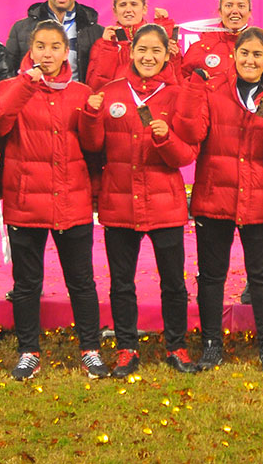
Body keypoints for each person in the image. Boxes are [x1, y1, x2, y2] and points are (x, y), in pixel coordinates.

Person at [0, 20, 108, 380]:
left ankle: (91, 349)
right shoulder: (10, 87)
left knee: (81, 281)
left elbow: (94, 146)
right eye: (40, 46)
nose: (47, 53)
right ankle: (28, 351)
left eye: (55, 46)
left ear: (66, 52)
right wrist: (25, 85)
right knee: (26, 283)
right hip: (25, 200)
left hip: (73, 200)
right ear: (30, 50)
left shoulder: (81, 92)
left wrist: (95, 116)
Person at [81, 24, 198, 378]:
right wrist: (89, 115)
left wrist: (165, 139)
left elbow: (186, 155)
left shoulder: (177, 94)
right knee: (122, 281)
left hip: (165, 203)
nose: (148, 57)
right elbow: (92, 146)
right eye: (142, 50)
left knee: (173, 282)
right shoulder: (111, 92)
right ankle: (126, 348)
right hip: (119, 202)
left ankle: (176, 345)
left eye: (156, 51)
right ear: (131, 52)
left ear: (167, 55)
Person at [175, 27, 263, 373]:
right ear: (234, 55)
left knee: (262, 276)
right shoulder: (212, 88)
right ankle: (211, 343)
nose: (250, 60)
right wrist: (194, 92)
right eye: (244, 53)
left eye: (257, 55)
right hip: (214, 194)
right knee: (211, 275)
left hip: (258, 198)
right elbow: (192, 133)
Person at [5, 0, 104, 83]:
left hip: (78, 98)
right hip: (36, 98)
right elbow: (9, 72)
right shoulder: (20, 28)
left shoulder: (97, 31)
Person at [85, 0, 180, 90]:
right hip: (117, 102)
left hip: (151, 101)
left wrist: (165, 33)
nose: (128, 10)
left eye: (134, 4)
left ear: (144, 9)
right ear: (115, 11)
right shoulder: (103, 44)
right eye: (122, 5)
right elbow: (95, 87)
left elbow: (176, 82)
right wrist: (108, 48)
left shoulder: (160, 40)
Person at [181, 0, 253, 80]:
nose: (235, 11)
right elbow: (181, 82)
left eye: (241, 6)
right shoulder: (201, 47)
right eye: (229, 5)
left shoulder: (260, 45)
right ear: (220, 11)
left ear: (249, 12)